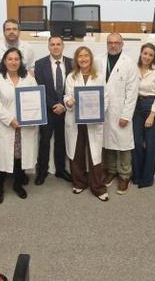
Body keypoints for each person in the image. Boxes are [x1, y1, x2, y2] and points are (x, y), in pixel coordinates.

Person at [0, 48, 40, 204]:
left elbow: (35, 99)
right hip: (6, 126)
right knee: (3, 157)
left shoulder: (28, 78)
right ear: (4, 61)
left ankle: (17, 184)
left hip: (24, 127)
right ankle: (0, 187)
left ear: (20, 61)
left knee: (20, 157)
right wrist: (10, 119)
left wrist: (32, 117)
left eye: (16, 59)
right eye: (10, 59)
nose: (13, 62)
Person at [64, 46, 109, 201]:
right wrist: (68, 102)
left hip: (93, 121)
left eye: (86, 56)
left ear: (91, 58)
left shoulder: (99, 76)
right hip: (75, 120)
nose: (83, 59)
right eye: (80, 56)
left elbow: (106, 97)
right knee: (76, 152)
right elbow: (67, 96)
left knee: (95, 154)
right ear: (76, 59)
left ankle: (98, 187)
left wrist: (99, 113)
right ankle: (79, 183)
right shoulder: (71, 76)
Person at [101, 33, 139, 195]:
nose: (113, 45)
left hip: (122, 110)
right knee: (108, 142)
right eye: (110, 42)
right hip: (104, 110)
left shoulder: (129, 63)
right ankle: (111, 170)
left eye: (116, 43)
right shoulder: (99, 60)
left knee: (123, 145)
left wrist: (126, 115)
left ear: (122, 44)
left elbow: (132, 92)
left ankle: (124, 175)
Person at [33, 35, 72, 185]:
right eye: (52, 44)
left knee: (61, 141)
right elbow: (40, 88)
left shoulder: (71, 63)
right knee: (44, 141)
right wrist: (52, 105)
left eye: (58, 44)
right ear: (48, 46)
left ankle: (61, 170)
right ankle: (42, 171)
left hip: (65, 110)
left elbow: (73, 86)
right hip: (47, 110)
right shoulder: (39, 64)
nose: (55, 47)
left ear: (63, 46)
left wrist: (63, 105)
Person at [131, 43, 155, 188]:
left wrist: (152, 115)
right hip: (136, 107)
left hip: (151, 107)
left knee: (151, 145)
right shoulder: (134, 69)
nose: (147, 57)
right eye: (145, 53)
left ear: (154, 57)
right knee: (136, 143)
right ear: (140, 53)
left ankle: (147, 179)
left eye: (150, 55)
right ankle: (137, 176)